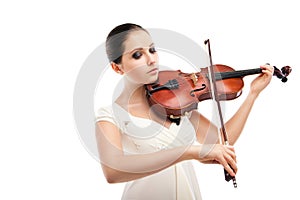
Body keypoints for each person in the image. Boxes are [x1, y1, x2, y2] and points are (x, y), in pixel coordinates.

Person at [95, 23, 273, 200]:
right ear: (117, 67)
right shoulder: (110, 115)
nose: (151, 59)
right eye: (137, 55)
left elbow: (219, 141)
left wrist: (252, 94)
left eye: (152, 50)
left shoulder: (176, 102)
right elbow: (114, 171)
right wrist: (189, 152)